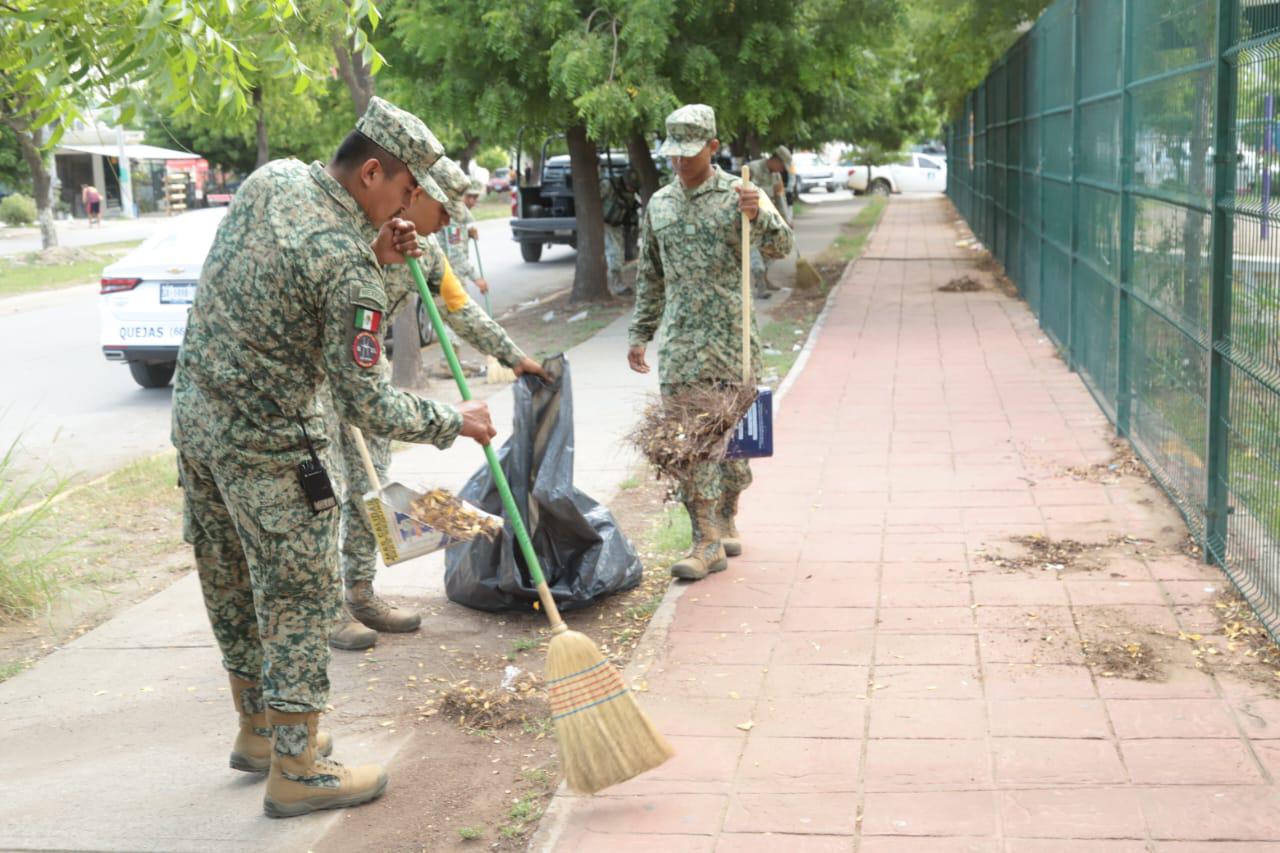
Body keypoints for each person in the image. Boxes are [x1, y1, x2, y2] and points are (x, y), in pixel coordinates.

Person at [171, 96, 497, 818]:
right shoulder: (347, 266)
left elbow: (285, 286)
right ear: (372, 172)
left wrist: (374, 253)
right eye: (409, 189)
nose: (412, 206)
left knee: (227, 576)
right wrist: (458, 420)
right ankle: (299, 765)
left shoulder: (273, 178)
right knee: (296, 597)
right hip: (276, 450)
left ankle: (257, 729)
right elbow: (369, 404)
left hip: (198, 425)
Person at [329, 157, 551, 651]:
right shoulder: (357, 232)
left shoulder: (426, 254)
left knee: (370, 490)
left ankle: (360, 593)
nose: (450, 223)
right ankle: (326, 610)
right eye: (445, 211)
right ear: (418, 193)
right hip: (321, 384)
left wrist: (513, 357)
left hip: (368, 380)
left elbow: (458, 309)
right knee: (322, 495)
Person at [627, 104, 793, 581]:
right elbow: (651, 277)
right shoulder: (659, 203)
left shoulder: (741, 193)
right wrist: (642, 332)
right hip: (681, 342)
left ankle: (726, 514)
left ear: (713, 148)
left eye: (689, 153)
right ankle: (705, 540)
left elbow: (781, 248)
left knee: (732, 445)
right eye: (673, 154)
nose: (679, 162)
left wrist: (759, 214)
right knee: (689, 442)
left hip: (731, 339)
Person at [744, 146, 793, 299]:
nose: (781, 169)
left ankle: (764, 279)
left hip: (768, 219)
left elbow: (779, 198)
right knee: (754, 253)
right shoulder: (752, 169)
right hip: (751, 219)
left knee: (773, 250)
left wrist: (786, 220)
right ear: (774, 160)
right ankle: (760, 287)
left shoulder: (777, 176)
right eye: (781, 165)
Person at [436, 179, 487, 296]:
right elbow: (455, 256)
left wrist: (467, 234)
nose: (471, 201)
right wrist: (476, 278)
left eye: (475, 197)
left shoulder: (458, 214)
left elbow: (450, 241)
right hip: (449, 274)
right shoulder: (454, 217)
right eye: (468, 196)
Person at [600, 168, 640, 296]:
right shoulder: (608, 185)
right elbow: (594, 201)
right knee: (614, 254)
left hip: (616, 226)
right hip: (604, 223)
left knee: (618, 255)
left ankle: (617, 283)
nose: (631, 189)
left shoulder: (630, 194)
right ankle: (617, 285)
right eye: (630, 186)